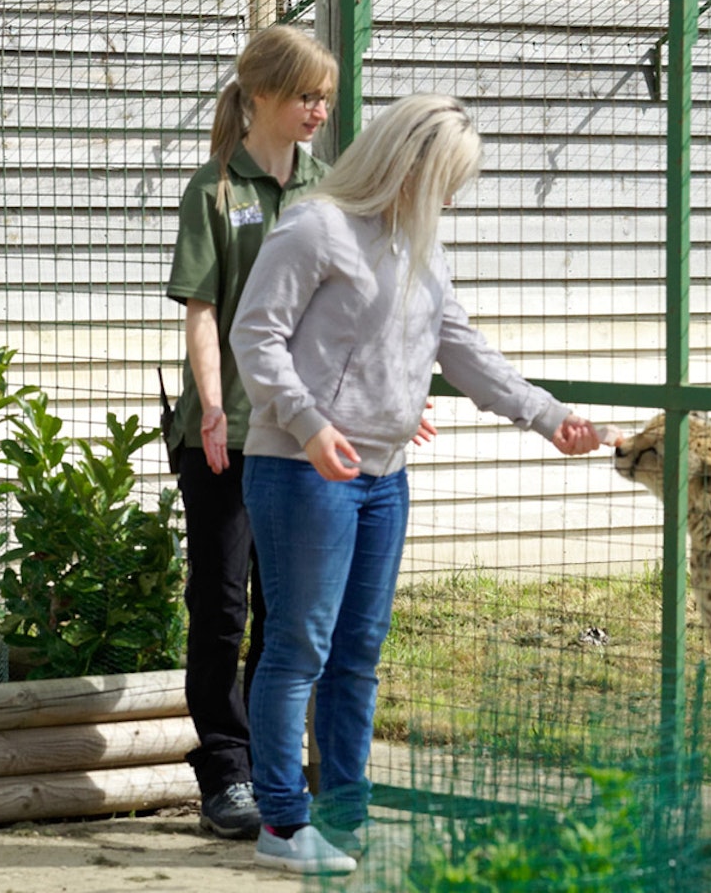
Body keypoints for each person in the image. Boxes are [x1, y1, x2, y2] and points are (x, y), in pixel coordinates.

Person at [230, 92, 607, 875]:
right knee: (299, 646)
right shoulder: (314, 226)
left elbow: (460, 347)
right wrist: (307, 423)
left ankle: (344, 815)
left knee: (358, 653)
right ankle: (281, 822)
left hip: (384, 474)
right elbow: (254, 336)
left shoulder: (420, 244)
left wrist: (548, 416)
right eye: (446, 180)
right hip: (304, 468)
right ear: (407, 162)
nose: (450, 199)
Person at [163, 24, 338, 840]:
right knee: (222, 604)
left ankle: (276, 775)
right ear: (263, 95)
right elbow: (203, 311)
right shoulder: (214, 191)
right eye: (307, 96)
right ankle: (224, 775)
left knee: (288, 606)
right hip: (225, 432)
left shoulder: (329, 190)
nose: (318, 112)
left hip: (302, 432)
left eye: (326, 99)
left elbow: (348, 309)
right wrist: (208, 405)